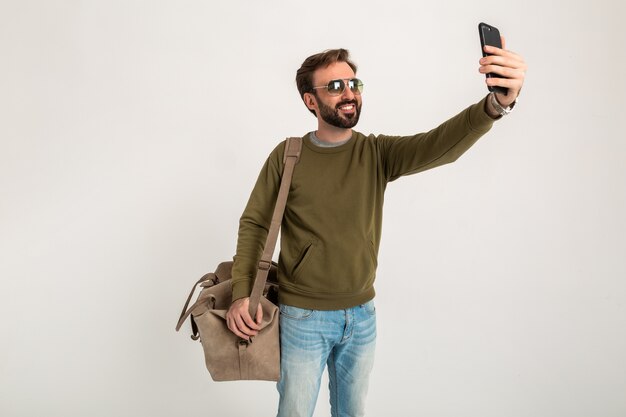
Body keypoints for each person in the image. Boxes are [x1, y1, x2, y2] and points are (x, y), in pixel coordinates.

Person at [226, 38, 527, 417]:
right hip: (302, 316)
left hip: (362, 315)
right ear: (310, 101)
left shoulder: (376, 153)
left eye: (354, 84)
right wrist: (241, 292)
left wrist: (494, 105)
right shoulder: (288, 155)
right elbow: (254, 223)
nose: (348, 93)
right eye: (335, 87)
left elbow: (440, 144)